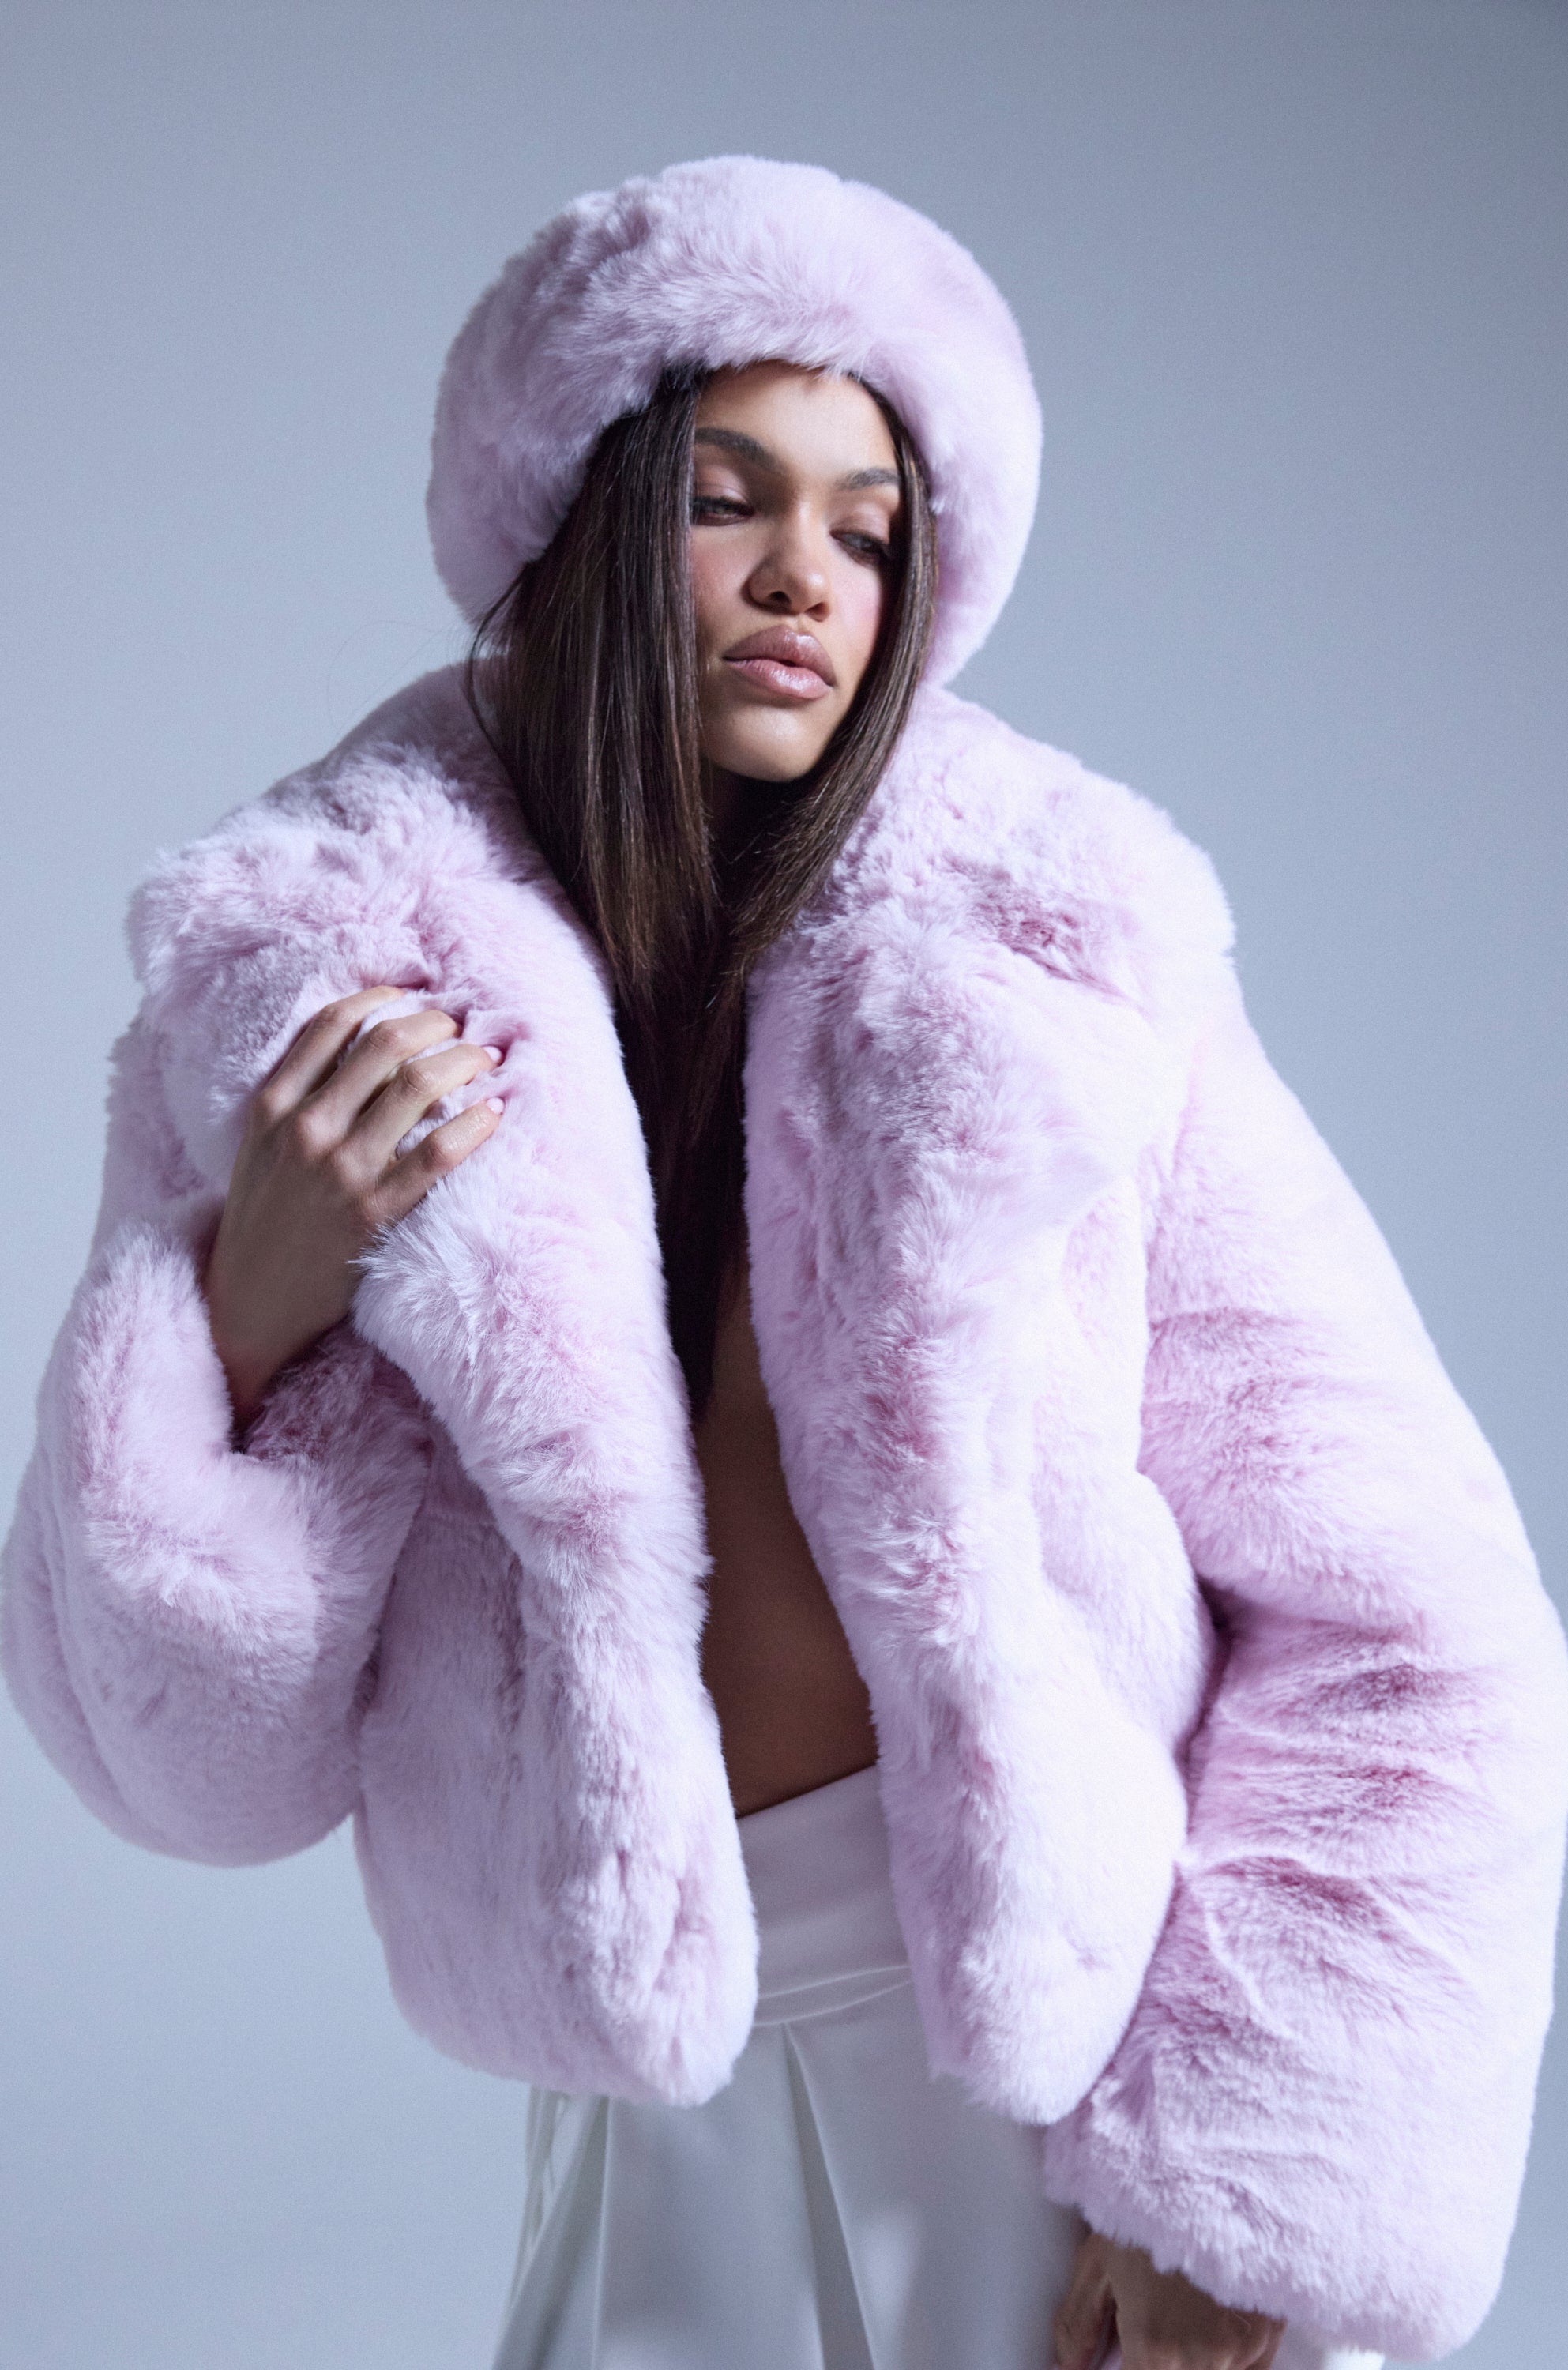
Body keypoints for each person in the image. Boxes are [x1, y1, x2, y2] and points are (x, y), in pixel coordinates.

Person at [2, 156, 1564, 2370]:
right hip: (636, 2099)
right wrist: (244, 1314)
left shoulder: (1069, 969)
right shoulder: (315, 998)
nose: (802, 578)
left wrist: (1242, 2194)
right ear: (580, 521)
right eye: (726, 499)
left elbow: (1420, 1617)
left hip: (1062, 2084)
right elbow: (191, 1776)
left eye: (866, 526)